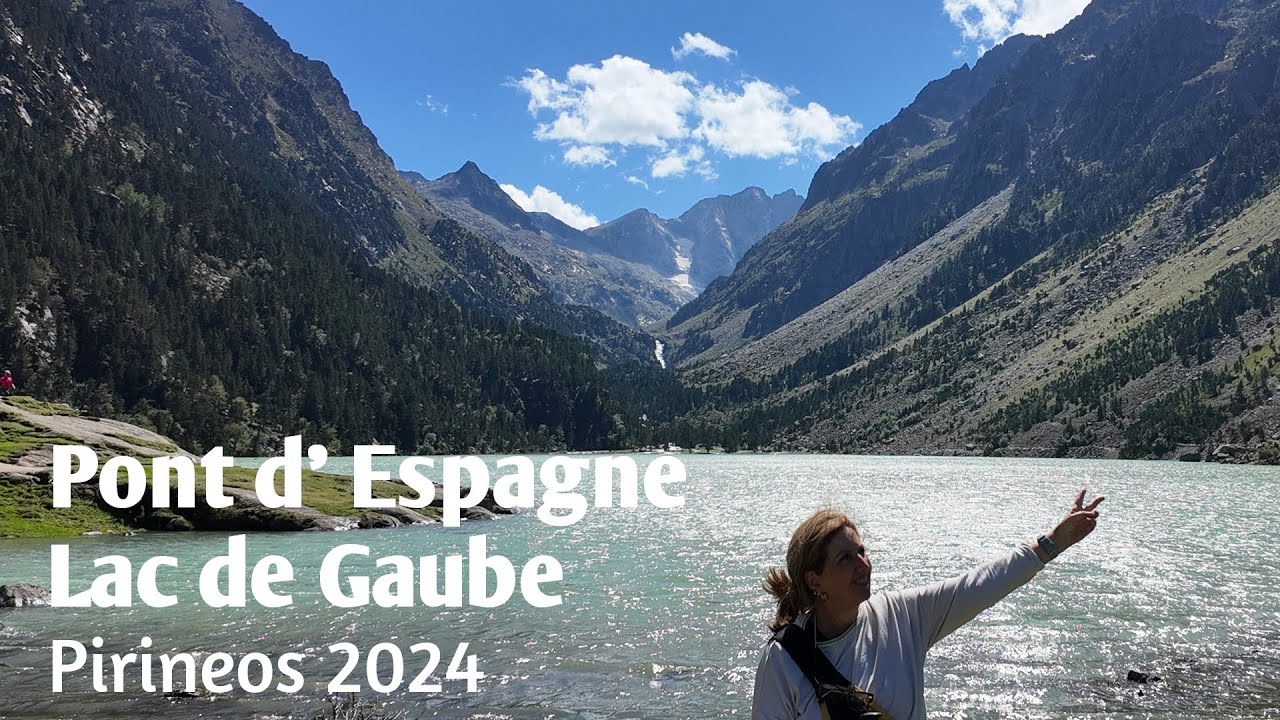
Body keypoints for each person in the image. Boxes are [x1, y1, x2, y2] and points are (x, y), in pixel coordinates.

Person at [751, 489, 1104, 720]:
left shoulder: (902, 617)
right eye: (845, 558)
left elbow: (975, 587)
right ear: (814, 580)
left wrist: (1051, 545)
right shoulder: (783, 660)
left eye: (862, 551)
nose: (864, 565)